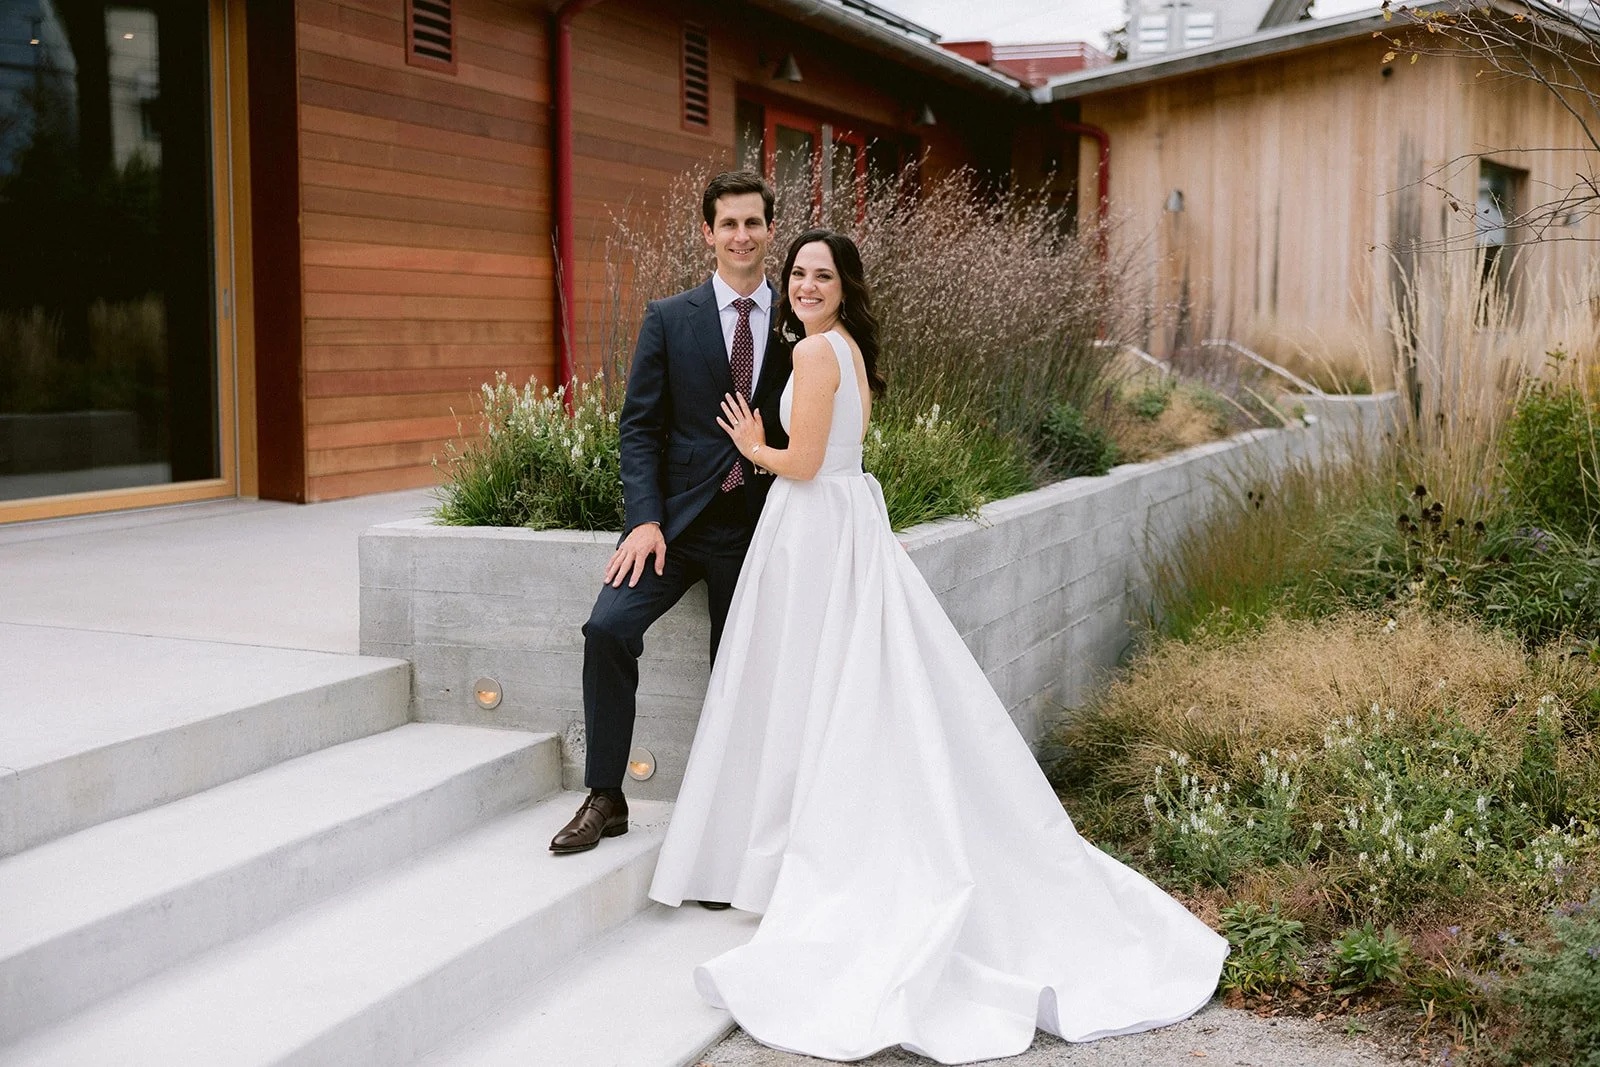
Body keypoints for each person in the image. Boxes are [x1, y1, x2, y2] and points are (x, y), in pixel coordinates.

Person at [647, 228, 1229, 1063]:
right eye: (798, 274)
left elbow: (805, 463)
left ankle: (786, 857)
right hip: (842, 525)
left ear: (845, 286)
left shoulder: (815, 355)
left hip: (812, 529)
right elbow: (843, 459)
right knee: (834, 689)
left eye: (822, 275)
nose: (806, 286)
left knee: (804, 689)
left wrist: (751, 447)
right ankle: (786, 849)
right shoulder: (843, 350)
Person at [548, 172, 792, 862]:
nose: (741, 235)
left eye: (754, 222)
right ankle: (606, 795)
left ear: (771, 229)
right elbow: (639, 429)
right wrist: (645, 519)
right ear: (708, 233)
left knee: (737, 666)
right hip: (678, 526)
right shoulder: (668, 317)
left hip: (762, 529)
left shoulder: (798, 320)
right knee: (607, 626)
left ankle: (726, 821)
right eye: (729, 224)